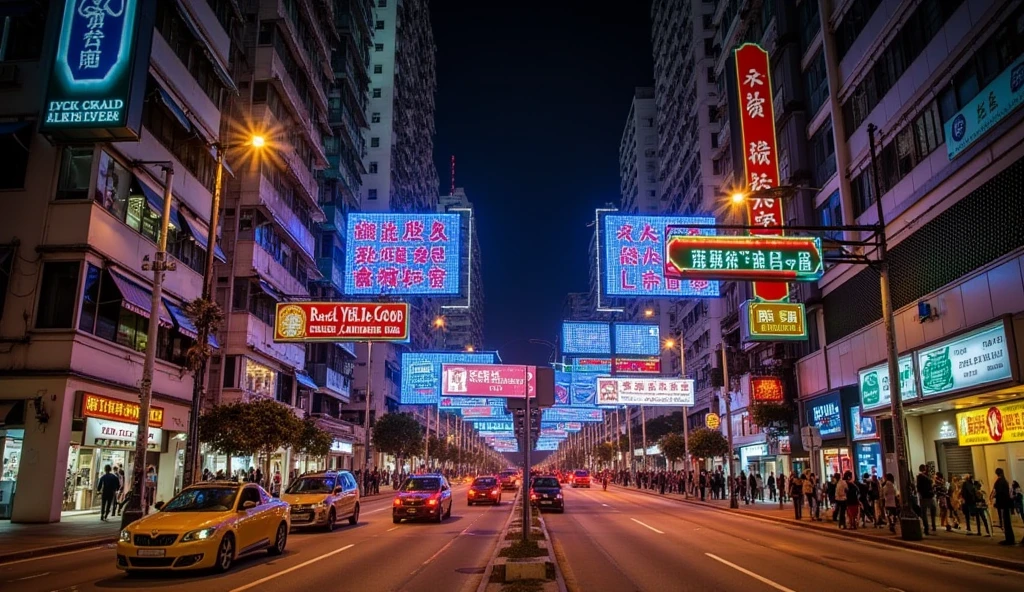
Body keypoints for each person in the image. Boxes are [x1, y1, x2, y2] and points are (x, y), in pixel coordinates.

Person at [993, 468, 1015, 546]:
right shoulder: (1004, 481)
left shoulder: (1000, 482)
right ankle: (1010, 538)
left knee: (1005, 522)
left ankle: (1009, 539)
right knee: (1007, 522)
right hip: (1006, 504)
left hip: (1003, 504)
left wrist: (996, 501)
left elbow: (998, 493)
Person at [916, 464, 936, 535]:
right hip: (930, 496)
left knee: (924, 513)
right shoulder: (928, 476)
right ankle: (933, 526)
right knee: (932, 512)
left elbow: (918, 487)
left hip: (924, 497)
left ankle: (926, 528)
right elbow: (932, 485)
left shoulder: (919, 477)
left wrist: (920, 494)